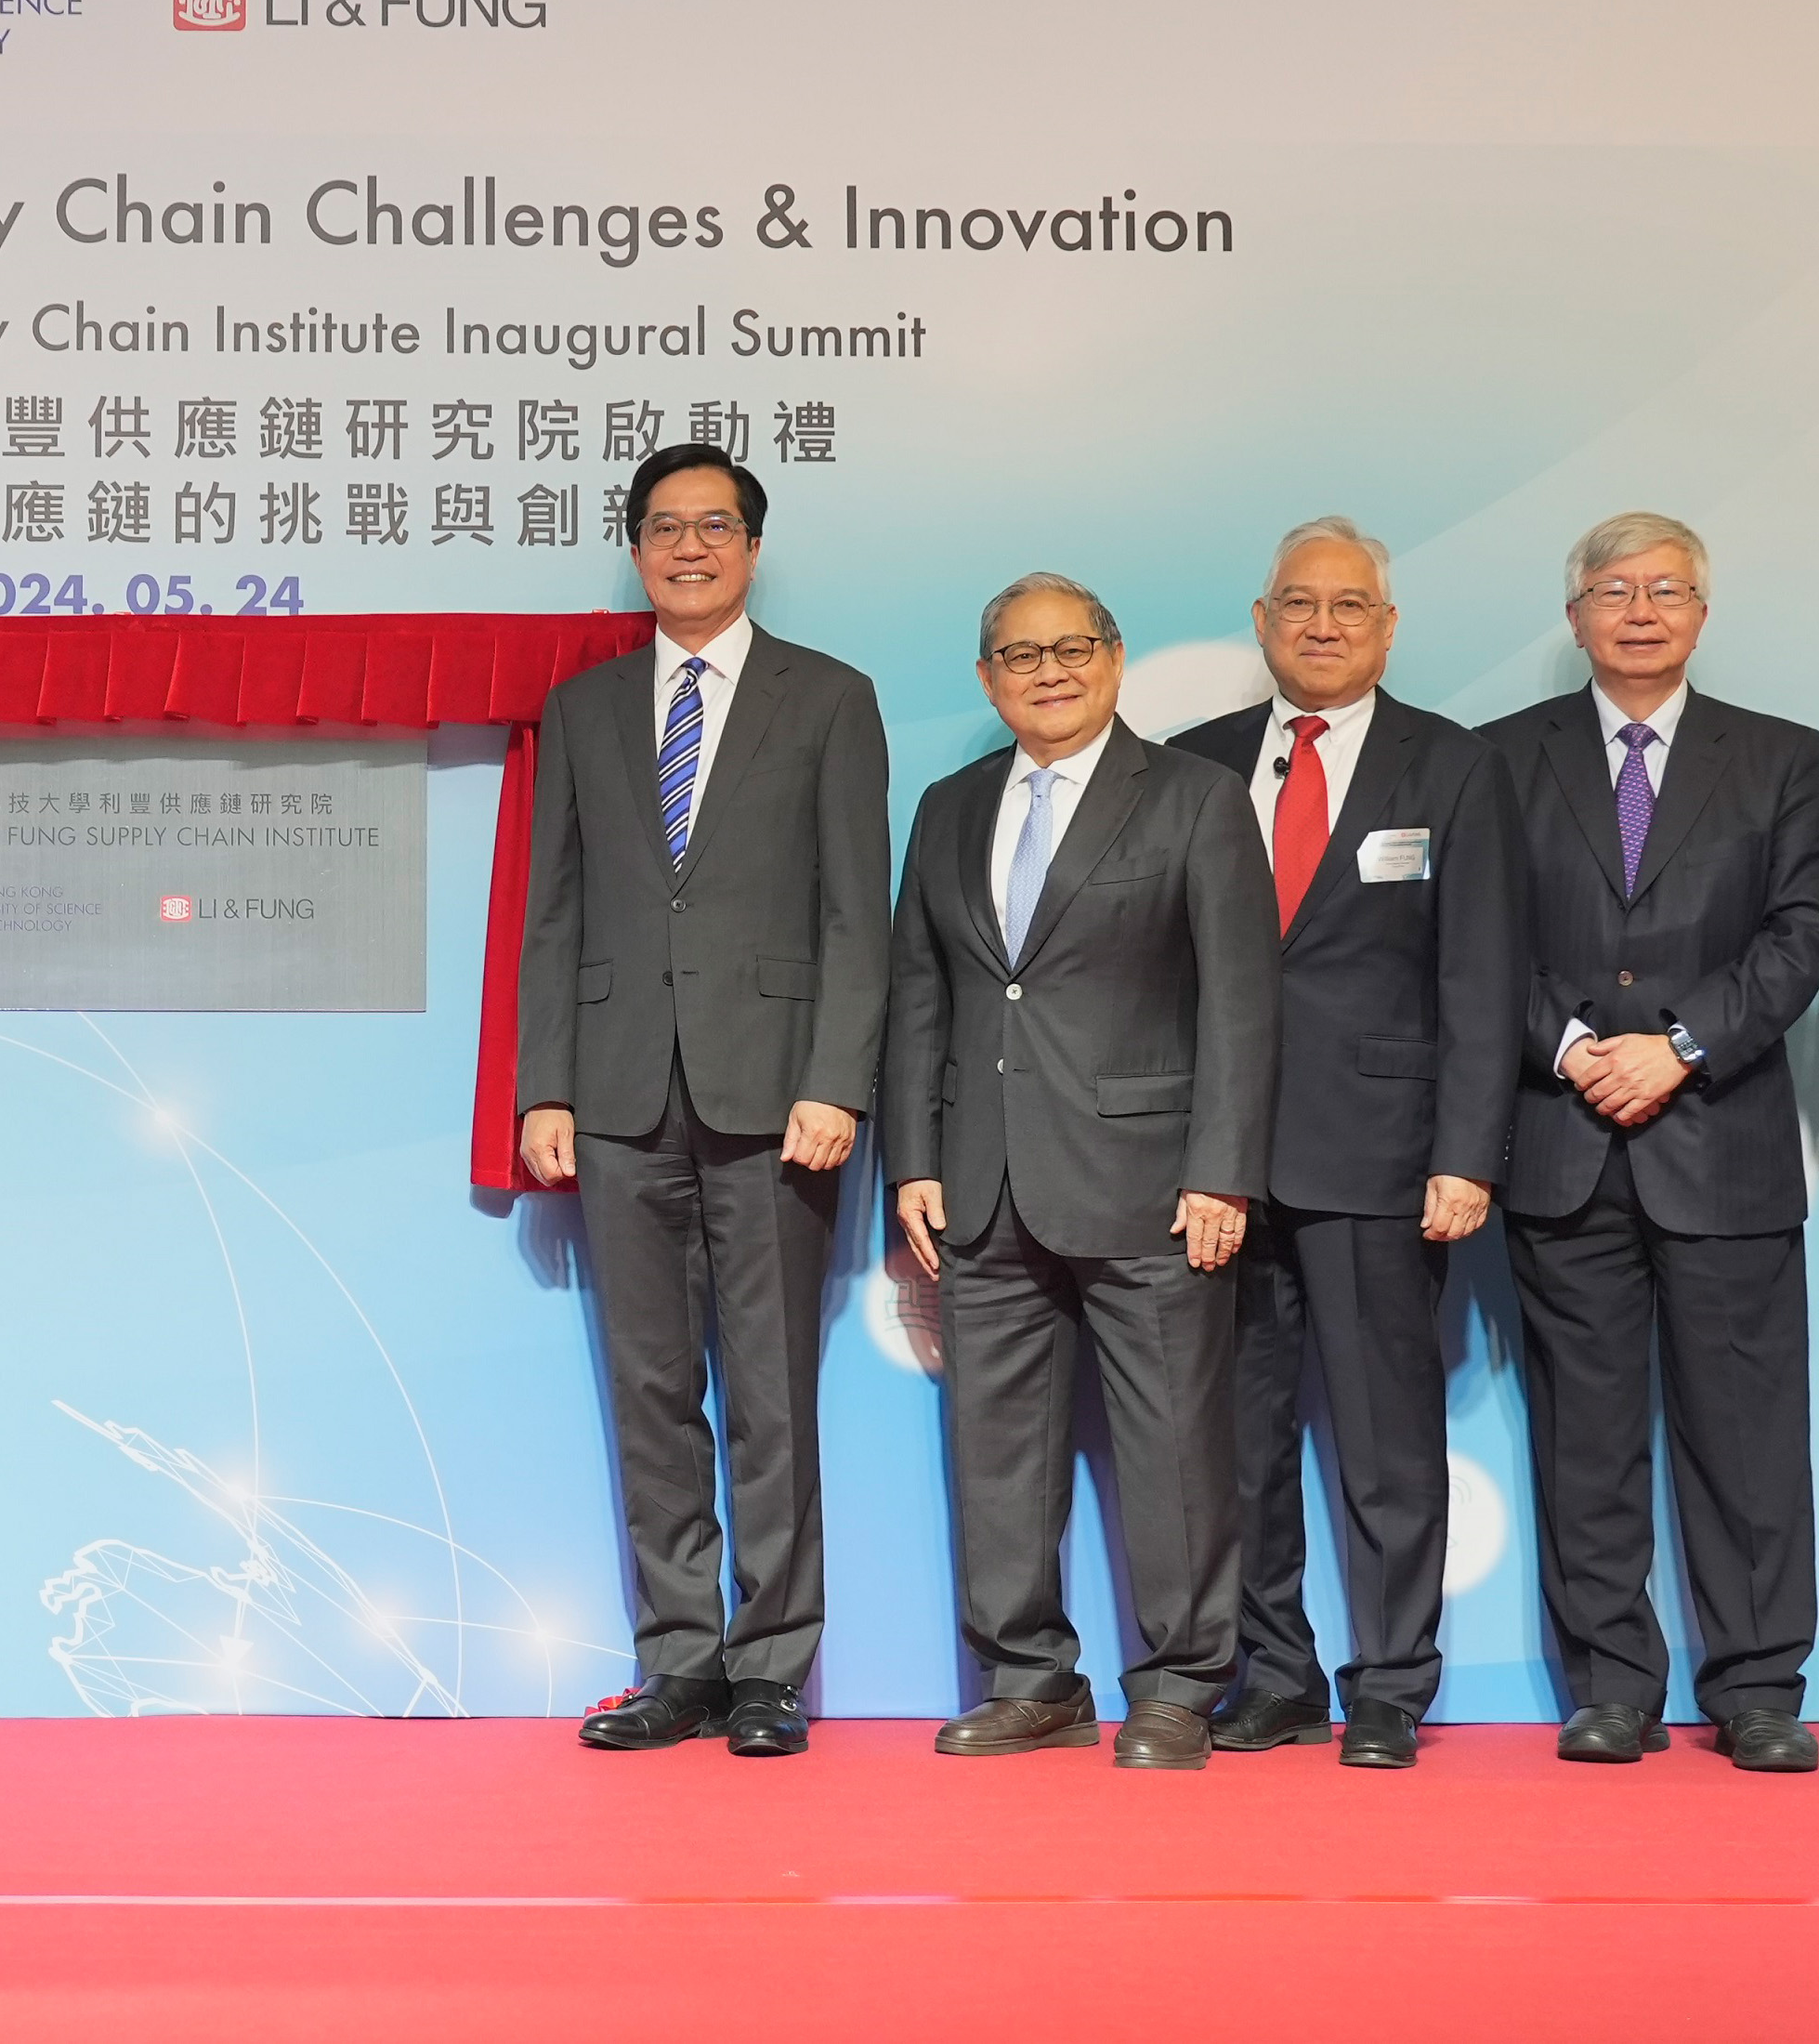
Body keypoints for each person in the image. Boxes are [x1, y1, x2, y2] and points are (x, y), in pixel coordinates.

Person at [518, 444, 889, 1759]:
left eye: (713, 527)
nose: (689, 547)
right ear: (635, 548)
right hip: (617, 1096)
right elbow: (551, 910)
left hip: (774, 1096)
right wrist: (544, 1083)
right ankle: (677, 1657)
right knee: (649, 1388)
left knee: (772, 1393)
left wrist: (837, 1076)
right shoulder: (583, 708)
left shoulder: (830, 698)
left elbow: (858, 910)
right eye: (664, 528)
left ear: (749, 546)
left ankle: (770, 1668)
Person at [886, 573, 1279, 1769]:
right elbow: (920, 992)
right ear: (985, 677)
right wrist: (914, 1156)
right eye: (1020, 655)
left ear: (1113, 656)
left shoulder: (1197, 799)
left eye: (1073, 648)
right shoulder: (950, 806)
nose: (1048, 671)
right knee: (995, 1447)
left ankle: (1179, 1683)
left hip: (1153, 1181)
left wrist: (1223, 1170)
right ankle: (1030, 1678)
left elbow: (1241, 1003)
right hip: (982, 1181)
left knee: (1173, 1448)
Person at [1475, 512, 1819, 1774]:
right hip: (1558, 1138)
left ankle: (1754, 1685)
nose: (1639, 608)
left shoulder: (1780, 756)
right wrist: (1575, 1046)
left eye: (1666, 586)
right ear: (1572, 612)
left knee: (1745, 1433)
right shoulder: (1498, 758)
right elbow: (1476, 946)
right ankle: (1610, 1682)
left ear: (1700, 608)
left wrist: (1676, 1045)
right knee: (1586, 1433)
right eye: (1613, 588)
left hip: (1720, 1136)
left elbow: (1799, 934)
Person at [1166, 518, 1521, 1771]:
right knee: (1239, 1444)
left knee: (1381, 1441)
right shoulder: (1192, 764)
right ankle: (1275, 1671)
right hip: (1217, 1163)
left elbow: (1482, 974)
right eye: (1299, 604)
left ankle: (1390, 1677)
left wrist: (1465, 1153)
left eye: (1351, 605)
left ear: (1386, 625)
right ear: (1260, 621)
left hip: (1381, 1156)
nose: (1324, 625)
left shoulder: (1453, 766)